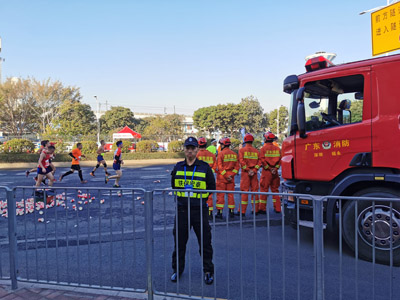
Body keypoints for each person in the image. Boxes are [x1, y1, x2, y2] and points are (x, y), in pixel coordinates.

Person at [170, 137, 215, 285]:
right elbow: (174, 186)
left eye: (193, 148)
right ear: (184, 149)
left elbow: (211, 187)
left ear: (197, 150)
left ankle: (208, 271)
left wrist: (198, 199)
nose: (190, 150)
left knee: (205, 243)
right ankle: (177, 270)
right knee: (179, 243)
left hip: (199, 210)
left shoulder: (204, 167)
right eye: (187, 148)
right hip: (182, 210)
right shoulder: (178, 167)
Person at [237, 133, 261, 217]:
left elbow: (241, 161)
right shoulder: (256, 151)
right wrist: (254, 170)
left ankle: (242, 211)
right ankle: (256, 210)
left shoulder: (241, 151)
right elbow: (259, 162)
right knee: (255, 191)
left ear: (245, 141)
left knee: (244, 192)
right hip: (254, 174)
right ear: (252, 141)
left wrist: (248, 170)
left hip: (245, 174)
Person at [216, 137, 239, 219]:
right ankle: (231, 212)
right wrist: (231, 175)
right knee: (231, 195)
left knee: (220, 196)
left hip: (222, 178)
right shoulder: (234, 154)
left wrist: (226, 175)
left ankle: (220, 213)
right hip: (231, 179)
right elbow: (237, 167)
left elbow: (219, 167)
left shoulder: (220, 154)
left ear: (223, 145)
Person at [259, 132, 282, 213]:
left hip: (266, 172)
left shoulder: (263, 149)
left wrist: (268, 168)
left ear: (265, 139)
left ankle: (262, 208)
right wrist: (275, 169)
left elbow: (262, 160)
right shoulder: (277, 149)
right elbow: (280, 161)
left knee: (264, 190)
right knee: (275, 190)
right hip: (275, 172)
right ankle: (278, 208)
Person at [196, 137, 217, 218]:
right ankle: (210, 213)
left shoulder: (196, 155)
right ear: (206, 144)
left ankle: (200, 212)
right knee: (209, 195)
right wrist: (209, 173)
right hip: (209, 178)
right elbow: (215, 166)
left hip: (199, 178)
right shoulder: (212, 155)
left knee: (199, 195)